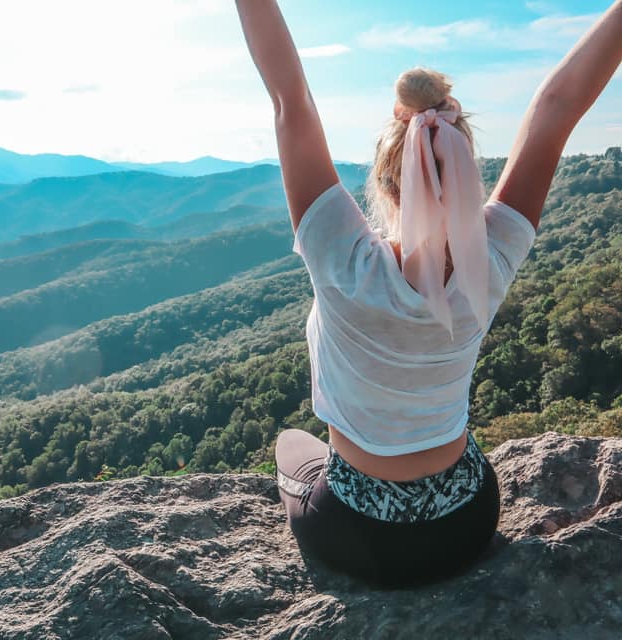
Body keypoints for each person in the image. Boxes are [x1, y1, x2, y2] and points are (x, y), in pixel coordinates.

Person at [235, 0, 622, 587]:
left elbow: (292, 102)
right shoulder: (491, 258)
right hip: (467, 518)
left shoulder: (343, 258)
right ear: (471, 169)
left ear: (386, 180)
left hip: (358, 534)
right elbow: (558, 105)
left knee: (292, 444)